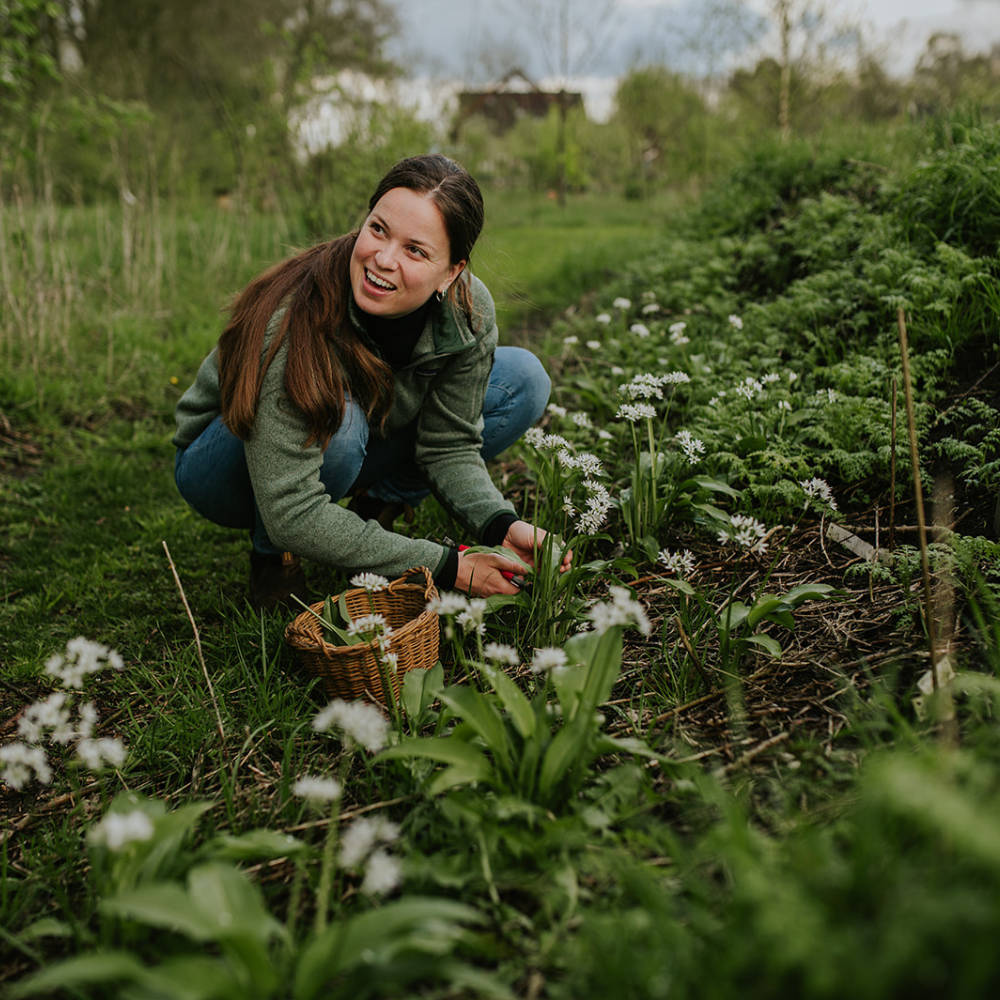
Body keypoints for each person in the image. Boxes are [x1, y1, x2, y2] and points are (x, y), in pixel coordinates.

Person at [172, 153, 570, 610]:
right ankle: (272, 558)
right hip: (220, 462)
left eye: (415, 250)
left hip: (359, 424)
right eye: (378, 229)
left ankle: (373, 509)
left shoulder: (467, 311)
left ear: (453, 271)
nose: (382, 259)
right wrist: (449, 564)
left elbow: (449, 445)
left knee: (522, 379)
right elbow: (292, 512)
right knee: (337, 427)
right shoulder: (294, 319)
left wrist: (499, 525)